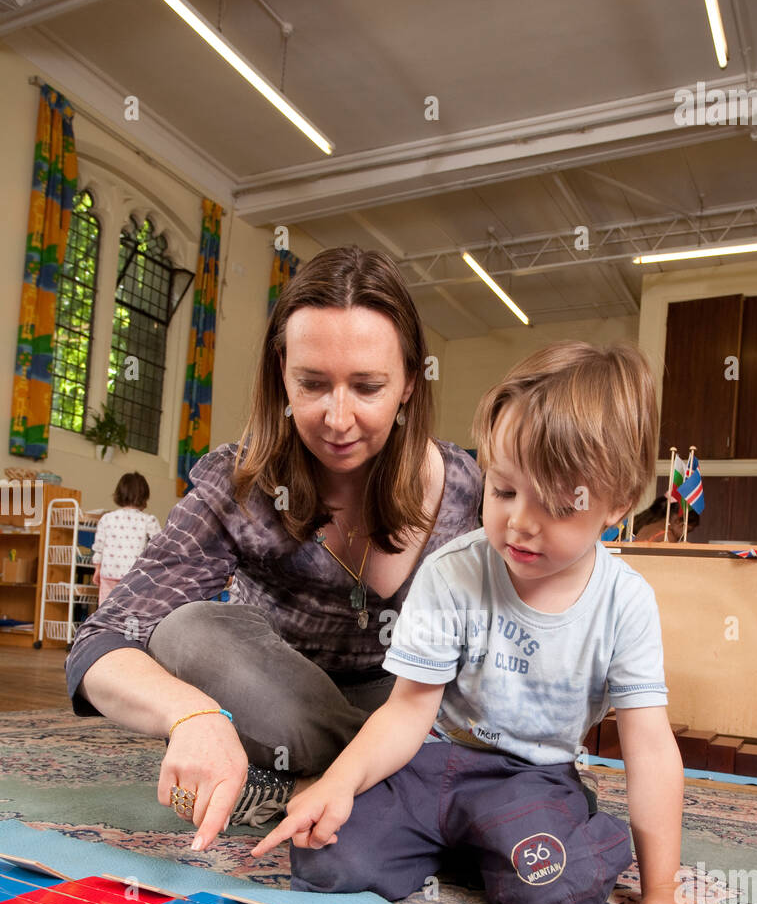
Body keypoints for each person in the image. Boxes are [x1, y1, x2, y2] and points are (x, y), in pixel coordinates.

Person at [252, 342, 753, 904]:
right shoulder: (452, 571)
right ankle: (479, 843)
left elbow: (649, 747)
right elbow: (409, 709)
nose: (520, 522)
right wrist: (337, 782)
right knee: (326, 862)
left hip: (531, 779)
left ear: (617, 505)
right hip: (432, 764)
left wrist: (661, 886)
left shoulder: (626, 603)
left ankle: (556, 835)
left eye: (556, 504)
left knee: (553, 891)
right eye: (504, 490)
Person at [65, 245, 482, 838]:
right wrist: (192, 713)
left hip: (410, 701)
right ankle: (387, 779)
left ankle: (328, 780)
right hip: (282, 703)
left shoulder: (468, 488)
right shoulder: (239, 480)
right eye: (312, 384)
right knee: (187, 630)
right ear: (281, 372)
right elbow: (100, 642)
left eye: (367, 387)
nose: (338, 419)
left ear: (411, 382)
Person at [91, 472, 160, 605]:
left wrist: (97, 569)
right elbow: (160, 546)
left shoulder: (107, 519)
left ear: (119, 493)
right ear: (144, 496)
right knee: (130, 613)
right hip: (134, 576)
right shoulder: (148, 521)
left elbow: (99, 548)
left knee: (106, 611)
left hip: (109, 574)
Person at [632, 494, 700, 542]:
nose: (685, 536)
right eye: (687, 531)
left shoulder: (645, 528)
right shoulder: (667, 537)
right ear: (678, 521)